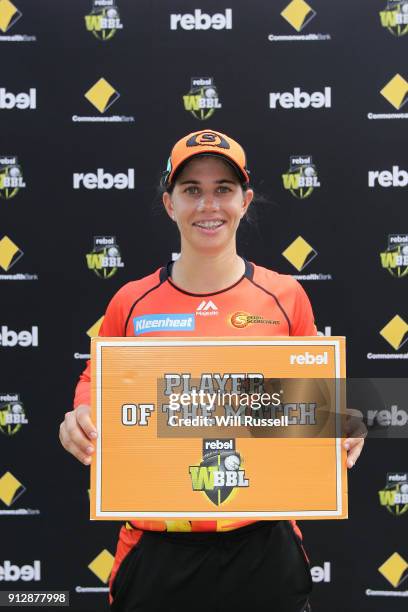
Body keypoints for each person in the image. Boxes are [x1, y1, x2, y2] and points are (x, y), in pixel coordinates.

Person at [59, 129, 364, 612]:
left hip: (261, 543)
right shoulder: (131, 301)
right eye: (192, 190)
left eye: (223, 189)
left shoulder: (285, 297)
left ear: (244, 201)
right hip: (158, 549)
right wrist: (79, 416)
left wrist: (345, 423)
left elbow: (320, 398)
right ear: (169, 203)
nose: (208, 205)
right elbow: (96, 382)